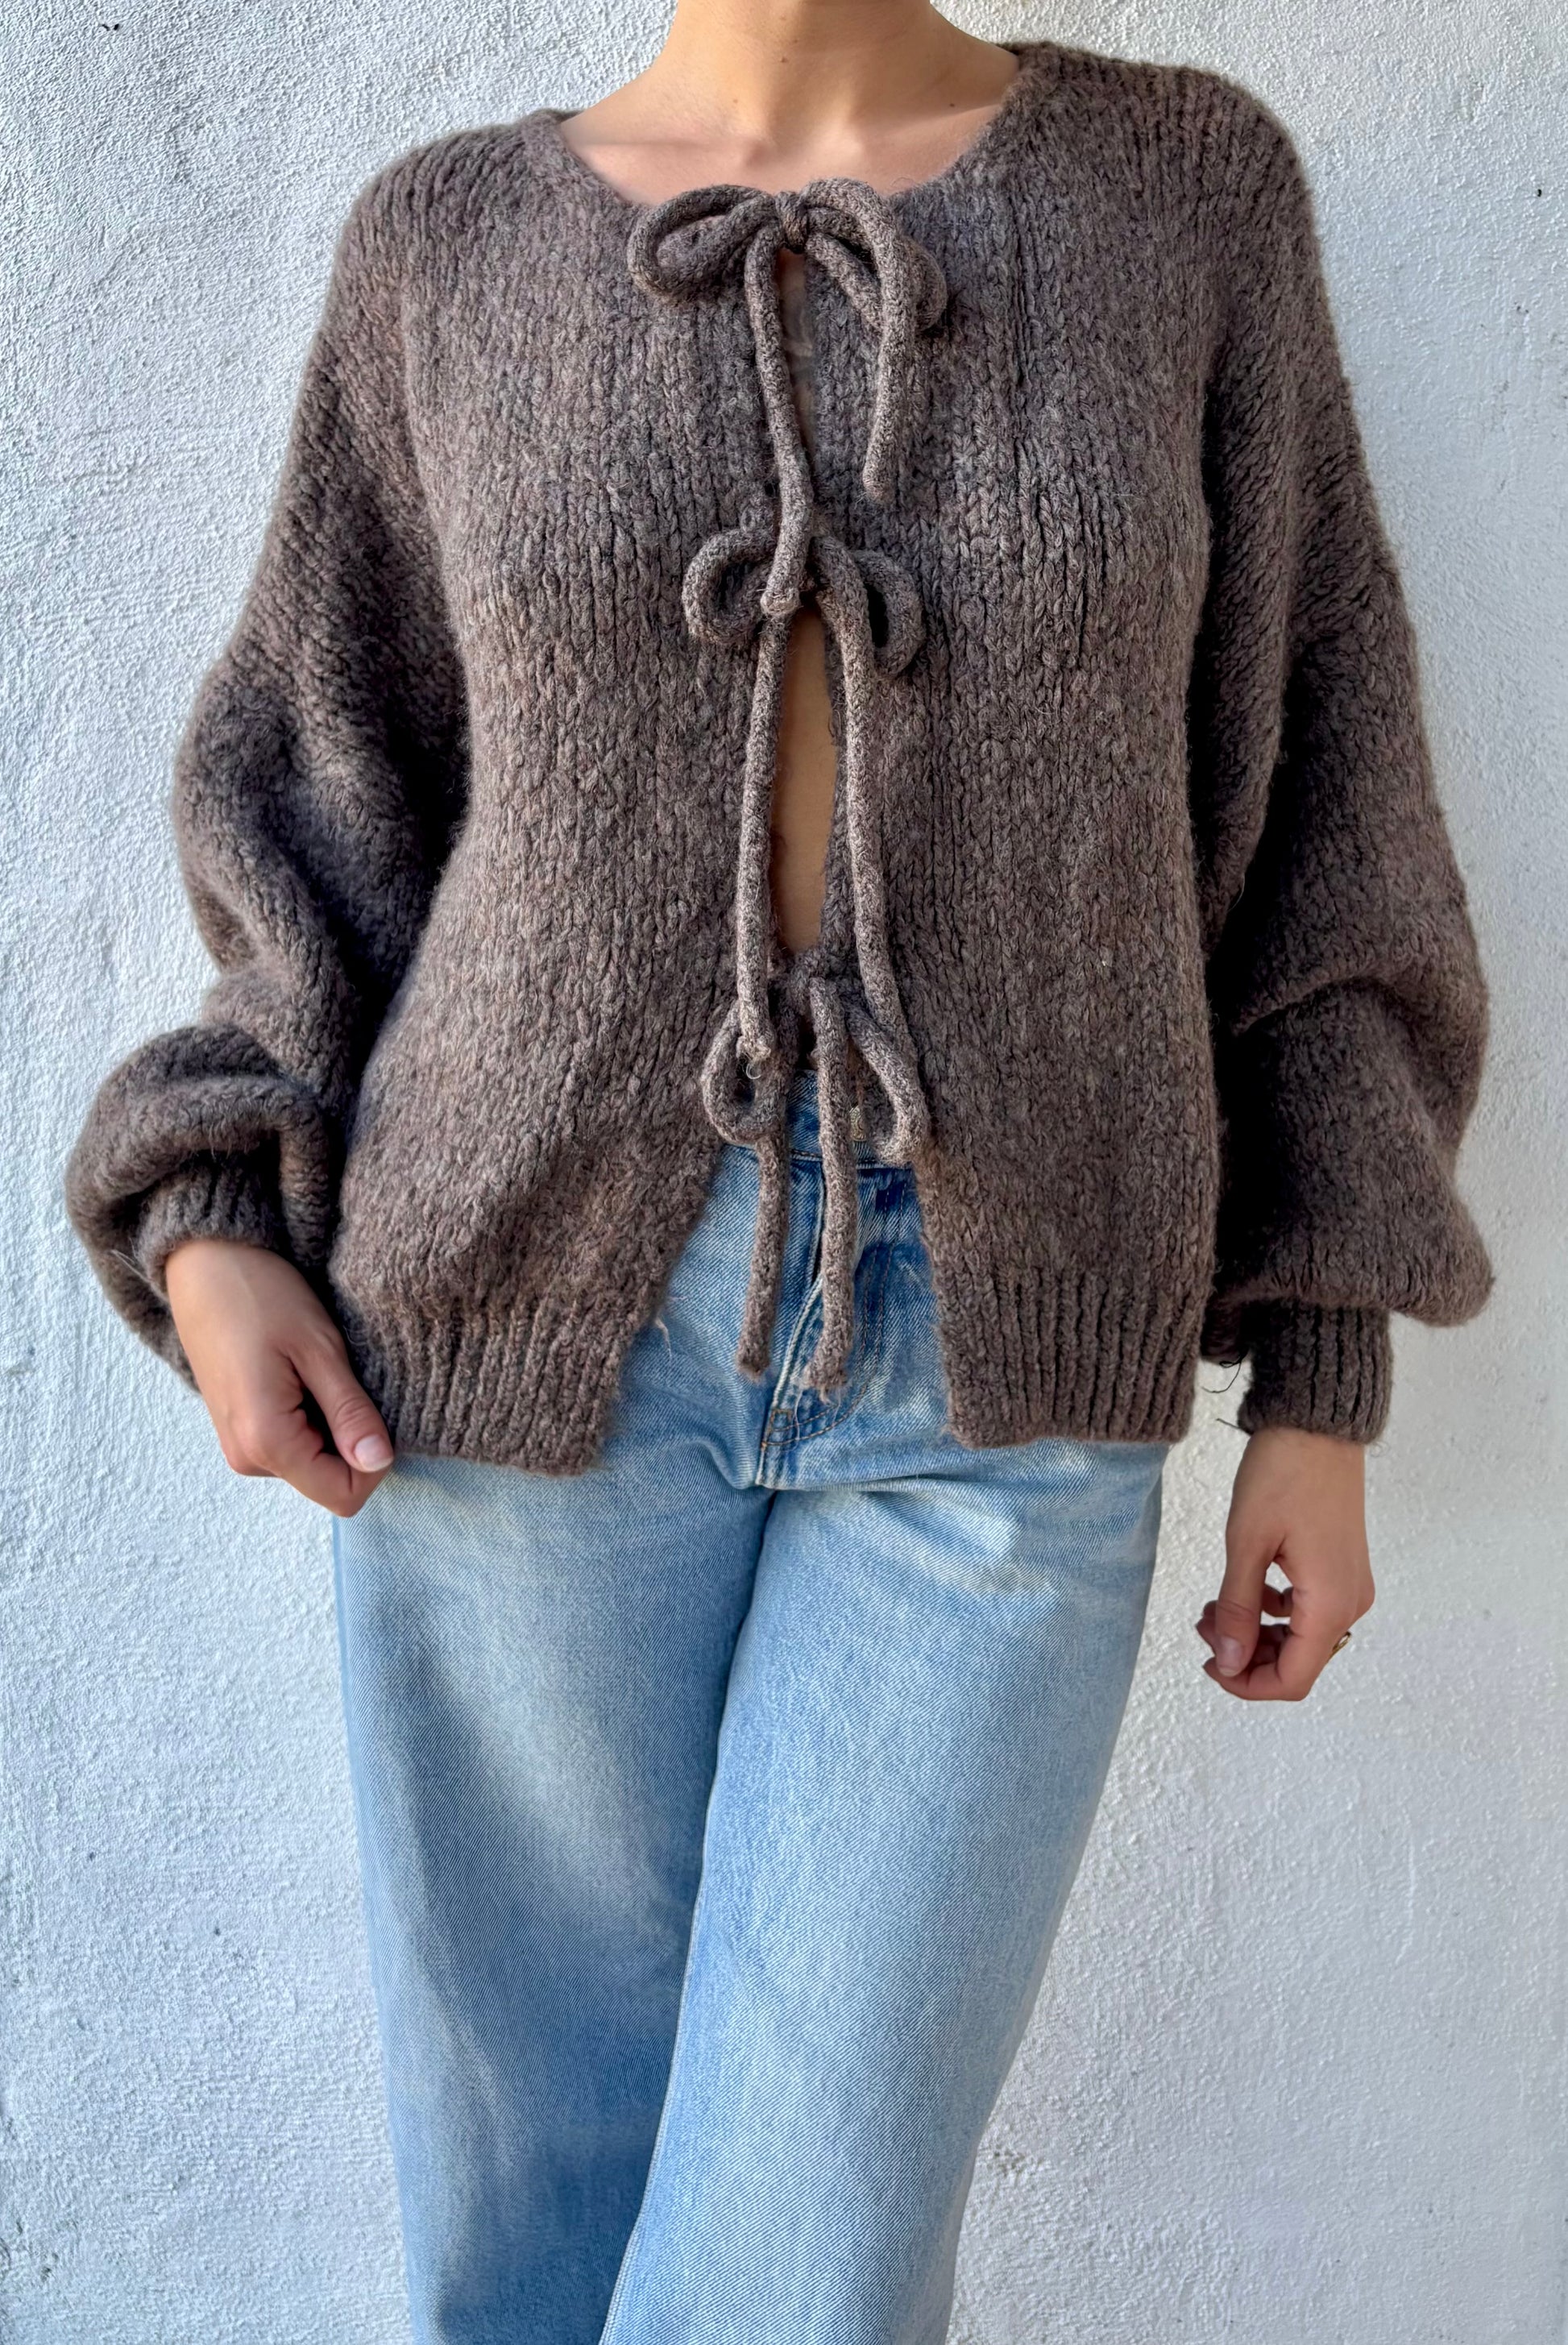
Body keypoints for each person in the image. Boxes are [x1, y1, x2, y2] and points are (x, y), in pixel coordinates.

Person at [64, 6, 1492, 2340]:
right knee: (532, 2222)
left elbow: (1322, 795)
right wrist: (213, 1212)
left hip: (1018, 1330)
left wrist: (1322, 1366)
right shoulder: (446, 244)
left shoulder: (1183, 196)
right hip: (508, 1327)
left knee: (811, 2257)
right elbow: (323, 790)